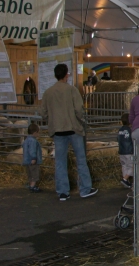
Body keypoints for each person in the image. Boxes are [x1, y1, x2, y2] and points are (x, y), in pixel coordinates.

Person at [40, 64, 97, 201]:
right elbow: (79, 109)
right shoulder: (72, 90)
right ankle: (85, 189)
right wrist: (82, 120)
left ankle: (62, 192)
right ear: (67, 75)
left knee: (60, 161)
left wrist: (51, 120)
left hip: (58, 131)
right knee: (81, 159)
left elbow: (43, 113)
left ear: (55, 75)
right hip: (73, 129)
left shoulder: (48, 92)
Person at [22, 123, 43, 193]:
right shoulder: (33, 141)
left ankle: (31, 184)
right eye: (38, 133)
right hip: (32, 161)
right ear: (35, 133)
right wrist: (34, 158)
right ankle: (32, 186)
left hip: (27, 160)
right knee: (34, 173)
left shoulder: (26, 140)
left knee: (30, 173)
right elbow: (32, 150)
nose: (38, 134)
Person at [117, 113, 134, 188]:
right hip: (129, 152)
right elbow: (133, 139)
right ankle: (125, 179)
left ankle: (126, 182)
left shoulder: (120, 130)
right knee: (132, 166)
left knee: (124, 166)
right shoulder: (130, 130)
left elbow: (118, 139)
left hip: (121, 151)